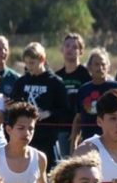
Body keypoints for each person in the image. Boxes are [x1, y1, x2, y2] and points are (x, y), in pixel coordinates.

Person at [10, 42, 71, 170]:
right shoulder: (21, 82)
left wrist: (48, 113)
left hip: (48, 140)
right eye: (26, 63)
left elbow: (66, 112)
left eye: (32, 63)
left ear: (42, 59)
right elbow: (14, 108)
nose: (28, 67)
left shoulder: (55, 82)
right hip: (24, 139)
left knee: (49, 177)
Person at [69, 48, 117, 149]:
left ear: (108, 66)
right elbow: (78, 118)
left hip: (113, 143)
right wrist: (73, 143)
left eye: (103, 64)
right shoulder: (83, 90)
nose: (100, 67)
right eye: (96, 64)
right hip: (89, 144)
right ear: (89, 67)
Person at [55, 33, 91, 158]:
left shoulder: (86, 75)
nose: (70, 49)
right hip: (63, 129)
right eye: (67, 46)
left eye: (74, 47)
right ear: (62, 49)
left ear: (81, 51)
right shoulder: (57, 76)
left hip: (83, 128)